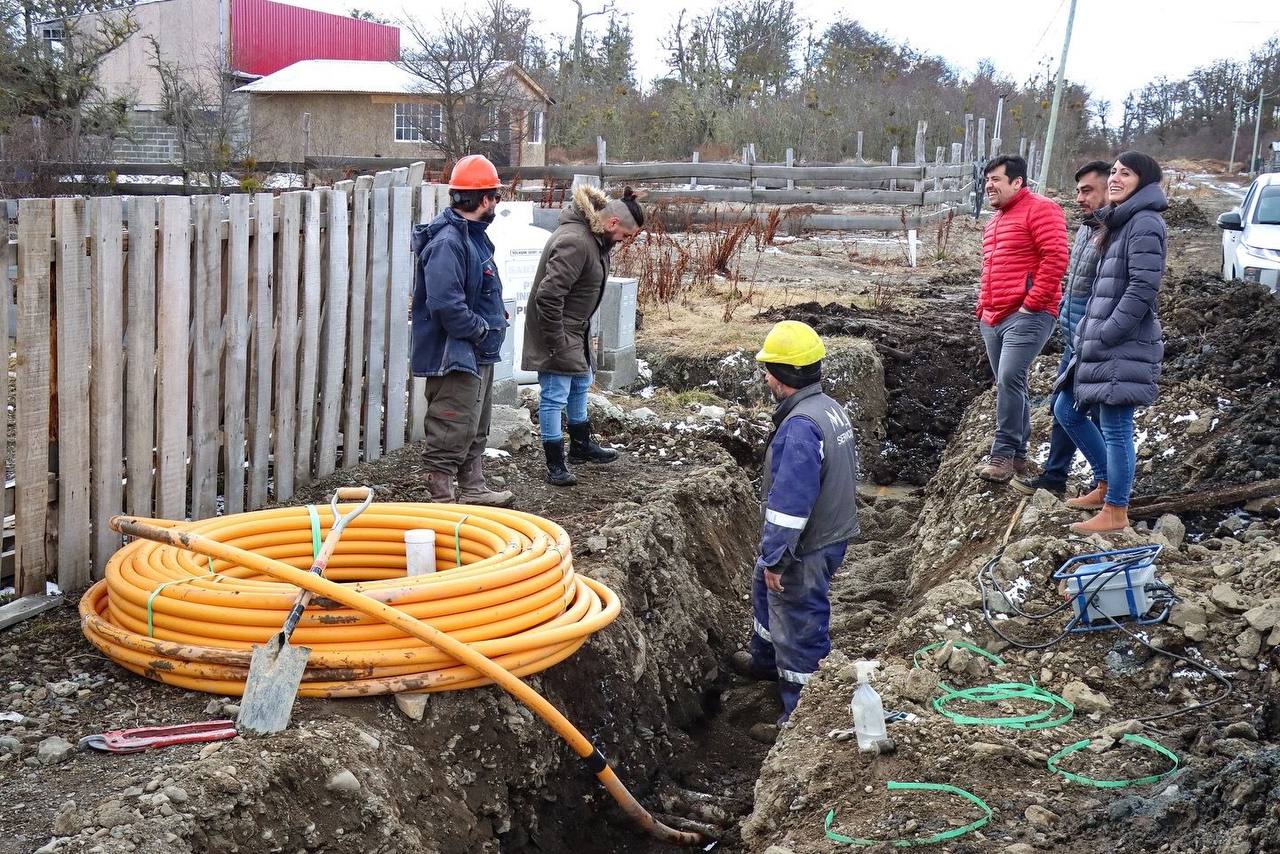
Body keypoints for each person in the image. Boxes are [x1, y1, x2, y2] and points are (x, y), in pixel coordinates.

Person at [731, 321, 860, 727]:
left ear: (783, 376)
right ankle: (766, 661)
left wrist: (777, 558)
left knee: (798, 622)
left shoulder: (802, 428)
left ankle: (799, 715)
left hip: (804, 545)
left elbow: (790, 506)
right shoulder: (827, 408)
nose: (765, 376)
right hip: (824, 532)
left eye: (768, 369)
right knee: (765, 598)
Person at [1054, 152, 1167, 534]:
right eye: (1115, 172)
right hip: (1098, 339)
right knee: (1066, 409)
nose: (1116, 178)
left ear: (1144, 180)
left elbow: (1141, 289)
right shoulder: (1119, 221)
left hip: (1121, 344)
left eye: (1126, 173)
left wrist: (1106, 332)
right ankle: (1104, 484)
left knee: (1117, 427)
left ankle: (1116, 511)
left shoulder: (1145, 223)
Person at [522, 184, 644, 486]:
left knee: (580, 384)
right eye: (626, 235)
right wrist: (555, 342)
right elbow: (548, 296)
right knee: (554, 396)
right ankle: (555, 464)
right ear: (613, 223)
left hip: (577, 328)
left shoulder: (594, 239)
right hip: (559, 330)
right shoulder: (576, 242)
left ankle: (580, 447)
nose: (624, 242)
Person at [410, 154, 513, 507]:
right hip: (454, 351)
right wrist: (482, 329)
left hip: (475, 348)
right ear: (483, 199)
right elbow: (445, 305)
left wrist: (493, 319)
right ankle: (442, 496)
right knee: (451, 423)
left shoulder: (471, 236)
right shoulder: (448, 242)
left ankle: (473, 486)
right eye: (496, 196)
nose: (498, 202)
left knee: (474, 422)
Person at [1012, 160, 1112, 497]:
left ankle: (1109, 484)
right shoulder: (1087, 227)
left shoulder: (1116, 232)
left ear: (1109, 190)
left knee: (1078, 411)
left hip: (1094, 335)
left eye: (1088, 191)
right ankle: (1055, 478)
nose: (1080, 198)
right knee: (1062, 405)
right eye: (1079, 190)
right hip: (1074, 333)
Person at [975, 154, 1069, 483]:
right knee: (1012, 382)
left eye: (996, 179)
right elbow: (990, 270)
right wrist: (982, 309)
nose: (989, 186)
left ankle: (1001, 455)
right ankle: (1017, 456)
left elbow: (1056, 257)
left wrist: (1032, 303)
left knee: (1009, 377)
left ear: (1017, 182)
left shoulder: (1042, 209)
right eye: (987, 180)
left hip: (1028, 314)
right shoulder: (995, 221)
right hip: (994, 316)